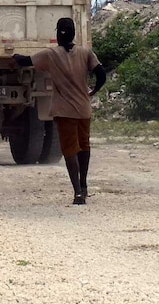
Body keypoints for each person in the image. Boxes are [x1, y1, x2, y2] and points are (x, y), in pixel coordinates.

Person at [12, 17, 106, 205]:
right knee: (84, 146)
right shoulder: (85, 53)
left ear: (57, 34)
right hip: (83, 110)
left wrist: (13, 56)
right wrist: (92, 91)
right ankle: (84, 185)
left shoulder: (51, 55)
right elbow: (101, 74)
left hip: (64, 111)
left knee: (70, 150)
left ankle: (77, 192)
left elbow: (25, 61)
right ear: (74, 34)